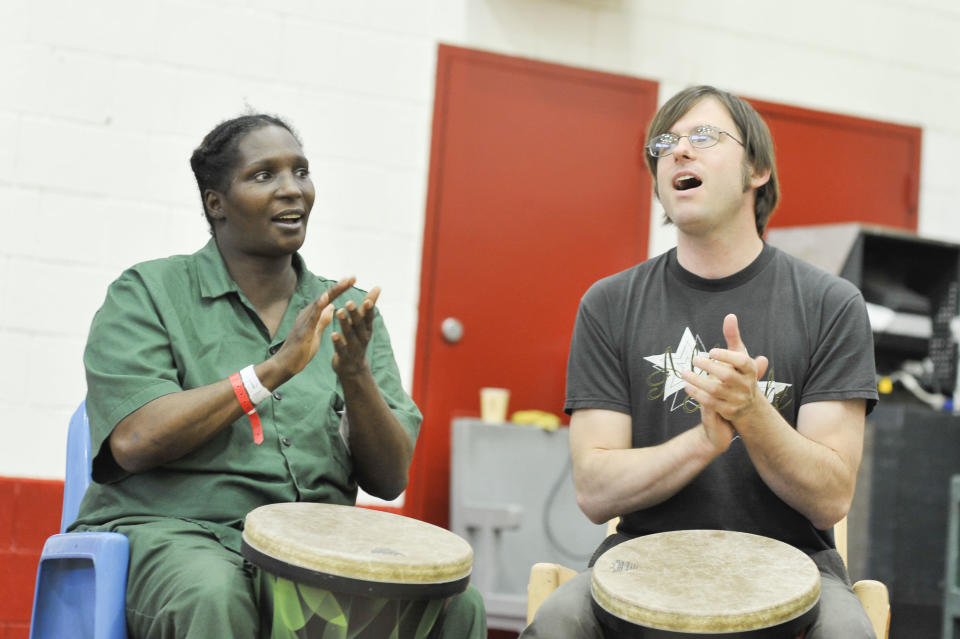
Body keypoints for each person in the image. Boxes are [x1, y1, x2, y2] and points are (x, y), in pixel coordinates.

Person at [71, 114, 486, 638]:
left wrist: (356, 377)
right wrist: (270, 373)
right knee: (218, 595)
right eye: (264, 175)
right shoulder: (149, 293)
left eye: (301, 172)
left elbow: (388, 479)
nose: (292, 189)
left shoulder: (349, 313)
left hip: (314, 549)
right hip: (181, 535)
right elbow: (133, 441)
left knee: (454, 607)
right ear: (214, 203)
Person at [521, 86, 879, 638]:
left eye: (703, 137)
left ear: (756, 169)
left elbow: (830, 497)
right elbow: (595, 492)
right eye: (665, 143)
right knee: (557, 622)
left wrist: (752, 415)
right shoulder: (609, 304)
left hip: (795, 568)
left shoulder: (830, 305)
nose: (678, 152)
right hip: (642, 562)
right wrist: (703, 441)